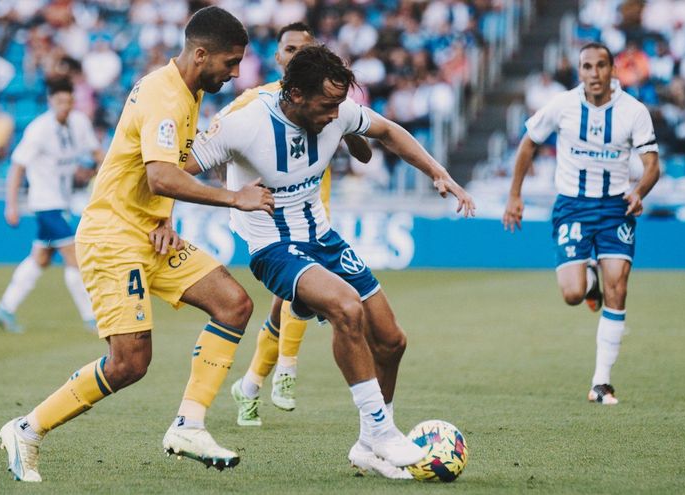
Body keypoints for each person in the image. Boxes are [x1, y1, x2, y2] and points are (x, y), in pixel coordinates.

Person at [0, 6, 274, 482]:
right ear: (201, 54)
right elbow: (161, 174)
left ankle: (189, 425)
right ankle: (26, 429)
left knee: (233, 304)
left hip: (150, 232)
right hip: (112, 236)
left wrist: (165, 215)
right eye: (231, 62)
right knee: (129, 363)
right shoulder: (165, 97)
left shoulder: (187, 91)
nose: (236, 72)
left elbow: (166, 170)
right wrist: (235, 199)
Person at [189, 45, 475, 479]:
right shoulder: (244, 123)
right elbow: (172, 170)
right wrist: (202, 207)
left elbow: (389, 131)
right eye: (326, 105)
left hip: (323, 238)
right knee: (346, 307)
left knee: (392, 341)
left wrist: (439, 172)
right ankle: (381, 431)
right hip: (273, 248)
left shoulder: (338, 112)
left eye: (339, 104)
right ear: (297, 95)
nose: (335, 115)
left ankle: (369, 444)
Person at [219, 22, 372, 428]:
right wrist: (234, 194)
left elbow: (364, 149)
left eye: (303, 50)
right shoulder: (254, 102)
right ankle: (285, 369)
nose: (293, 56)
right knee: (300, 294)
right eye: (288, 49)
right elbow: (214, 148)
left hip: (314, 215)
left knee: (288, 301)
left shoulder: (325, 100)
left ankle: (250, 385)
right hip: (269, 220)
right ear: (278, 56)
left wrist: (350, 128)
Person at [502, 42, 660, 406]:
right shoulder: (563, 106)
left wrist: (640, 192)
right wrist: (515, 195)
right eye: (587, 66)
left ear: (612, 70)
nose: (594, 73)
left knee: (617, 287)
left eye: (601, 65)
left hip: (616, 207)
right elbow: (528, 145)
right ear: (580, 71)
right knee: (572, 294)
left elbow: (652, 164)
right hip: (572, 206)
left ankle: (601, 383)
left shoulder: (633, 112)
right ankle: (590, 286)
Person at [0, 78, 103, 334]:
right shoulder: (38, 129)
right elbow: (17, 166)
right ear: (51, 101)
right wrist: (11, 205)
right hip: (44, 203)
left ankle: (4, 309)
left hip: (62, 201)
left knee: (40, 258)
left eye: (68, 101)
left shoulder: (79, 123)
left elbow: (98, 154)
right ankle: (91, 318)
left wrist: (109, 172)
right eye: (59, 101)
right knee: (75, 256)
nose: (65, 106)